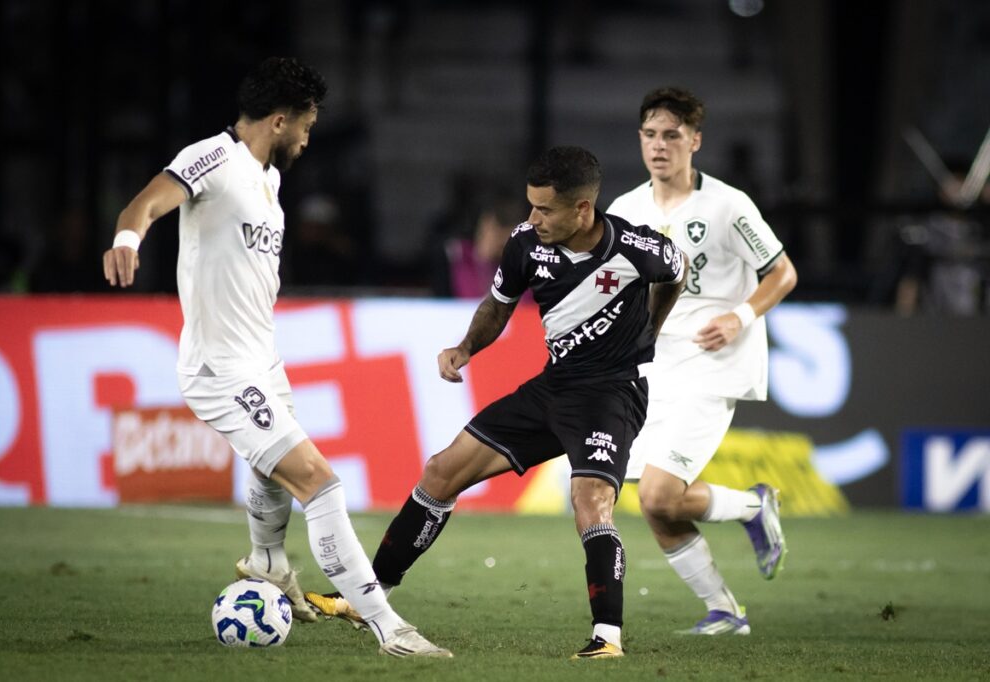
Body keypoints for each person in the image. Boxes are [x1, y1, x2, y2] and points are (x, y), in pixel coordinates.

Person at [102, 56, 450, 658]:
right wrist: (127, 238)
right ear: (281, 120)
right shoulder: (213, 157)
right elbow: (147, 201)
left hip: (261, 360)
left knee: (274, 473)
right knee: (319, 482)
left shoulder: (271, 179)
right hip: (221, 368)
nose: (309, 138)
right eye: (307, 126)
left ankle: (266, 563)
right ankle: (389, 628)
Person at [311, 146, 687, 658]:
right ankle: (368, 595)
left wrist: (651, 328)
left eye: (545, 209)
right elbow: (498, 305)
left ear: (582, 210)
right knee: (441, 472)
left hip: (611, 394)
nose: (533, 219)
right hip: (552, 388)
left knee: (590, 503)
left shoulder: (637, 247)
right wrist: (465, 348)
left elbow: (677, 271)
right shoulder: (527, 244)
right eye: (530, 206)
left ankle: (607, 637)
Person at [606, 87, 798, 635]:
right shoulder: (626, 210)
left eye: (671, 135)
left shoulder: (728, 205)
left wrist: (740, 315)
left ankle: (754, 511)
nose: (659, 146)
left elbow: (782, 273)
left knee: (658, 493)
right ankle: (726, 609)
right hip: (655, 366)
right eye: (649, 135)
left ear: (695, 140)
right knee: (656, 505)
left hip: (716, 361)